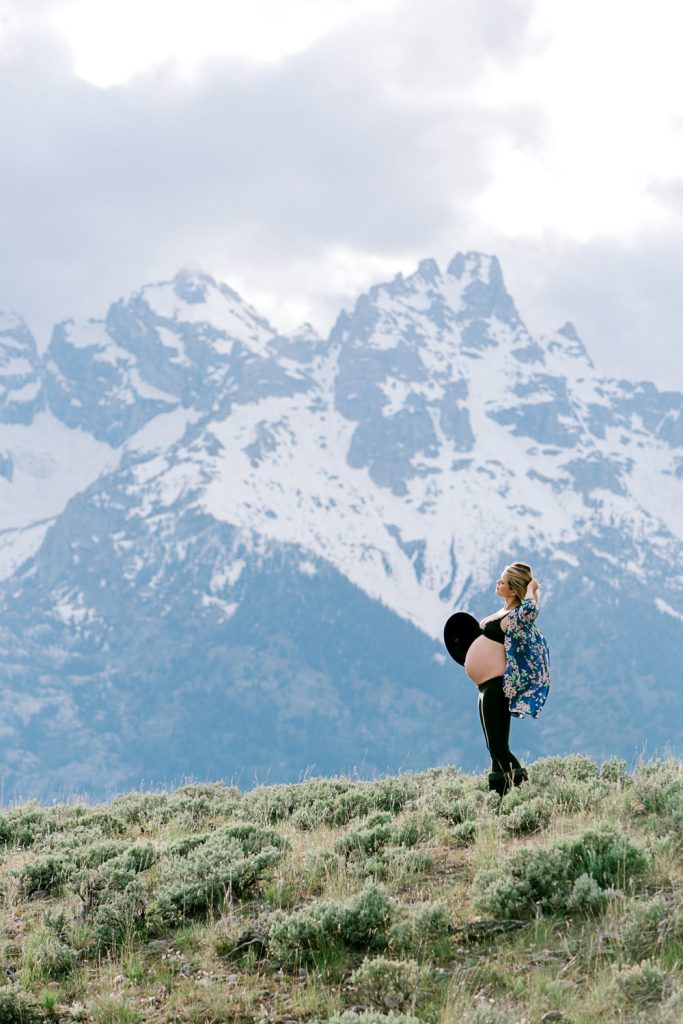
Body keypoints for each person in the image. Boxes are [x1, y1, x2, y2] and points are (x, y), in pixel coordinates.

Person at [462, 562, 550, 797]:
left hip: (497, 687)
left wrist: (531, 588)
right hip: (484, 687)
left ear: (513, 590)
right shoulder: (502, 613)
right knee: (493, 749)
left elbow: (530, 611)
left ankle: (526, 793)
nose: (497, 583)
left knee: (499, 747)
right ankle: (499, 800)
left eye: (502, 581)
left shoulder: (514, 617)